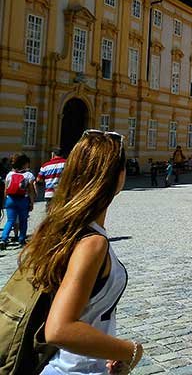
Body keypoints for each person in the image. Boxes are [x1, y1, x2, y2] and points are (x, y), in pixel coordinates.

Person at [19, 130, 144, 374]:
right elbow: (59, 328)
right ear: (118, 177)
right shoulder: (92, 243)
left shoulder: (62, 228)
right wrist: (129, 350)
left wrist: (106, 350)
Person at [0, 154, 36, 249]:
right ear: (25, 164)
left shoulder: (10, 174)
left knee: (10, 221)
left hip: (10, 199)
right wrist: (31, 202)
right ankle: (21, 239)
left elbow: (6, 189)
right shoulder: (29, 175)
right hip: (23, 200)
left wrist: (5, 201)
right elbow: (31, 190)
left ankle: (3, 239)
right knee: (23, 221)